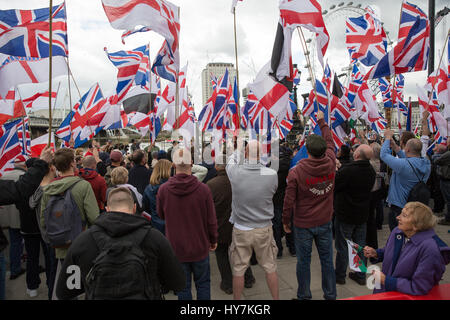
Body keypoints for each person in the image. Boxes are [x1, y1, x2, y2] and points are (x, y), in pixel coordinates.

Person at [55, 187, 186, 300]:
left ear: (107, 209)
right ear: (134, 208)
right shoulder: (154, 238)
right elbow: (177, 282)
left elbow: (65, 290)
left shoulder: (83, 241)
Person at [282, 110, 337, 300]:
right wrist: (322, 121)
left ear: (307, 149)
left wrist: (285, 222)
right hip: (324, 221)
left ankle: (304, 296)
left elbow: (288, 201)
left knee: (303, 262)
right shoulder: (331, 162)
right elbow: (330, 141)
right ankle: (330, 295)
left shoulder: (296, 172)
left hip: (304, 223)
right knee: (327, 261)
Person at [157, 147, 218, 300]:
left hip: (176, 247)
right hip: (199, 245)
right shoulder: (203, 190)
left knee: (183, 287)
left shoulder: (163, 190)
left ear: (173, 165)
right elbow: (211, 220)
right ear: (192, 163)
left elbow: (161, 214)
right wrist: (213, 239)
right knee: (203, 284)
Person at [40, 148, 99, 299]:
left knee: (67, 280)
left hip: (59, 242)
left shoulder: (47, 190)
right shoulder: (83, 186)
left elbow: (43, 220)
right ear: (73, 163)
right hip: (82, 241)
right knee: (83, 281)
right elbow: (94, 217)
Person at [226, 140, 279, 300]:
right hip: (264, 228)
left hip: (242, 229)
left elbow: (230, 159)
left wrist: (239, 149)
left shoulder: (236, 173)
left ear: (246, 154)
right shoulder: (271, 174)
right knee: (270, 267)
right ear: (262, 154)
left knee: (238, 270)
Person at [364, 202, 450, 295]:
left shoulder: (430, 249)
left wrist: (387, 281)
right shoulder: (398, 231)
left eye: (404, 215)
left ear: (416, 225)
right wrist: (376, 253)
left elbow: (419, 287)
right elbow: (391, 252)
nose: (398, 217)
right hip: (384, 293)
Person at [206, 155, 255, 295]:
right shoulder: (240, 182)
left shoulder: (211, 185)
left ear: (216, 167)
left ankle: (227, 284)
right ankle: (248, 278)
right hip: (239, 224)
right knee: (241, 252)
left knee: (221, 255)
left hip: (220, 226)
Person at [334, 144, 376, 286]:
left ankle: (339, 275)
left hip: (346, 214)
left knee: (343, 246)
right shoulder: (370, 170)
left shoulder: (348, 170)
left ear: (357, 155)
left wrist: (337, 171)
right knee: (360, 246)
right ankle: (360, 274)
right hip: (362, 214)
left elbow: (336, 186)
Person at [380, 129, 431, 231]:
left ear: (407, 150)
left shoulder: (403, 165)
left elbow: (384, 155)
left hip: (400, 207)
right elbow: (409, 161)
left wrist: (387, 138)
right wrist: (395, 147)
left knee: (399, 237)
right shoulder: (426, 163)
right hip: (416, 205)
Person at [29, 161, 58, 300]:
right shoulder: (47, 188)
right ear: (51, 168)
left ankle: (51, 288)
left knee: (52, 267)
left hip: (48, 233)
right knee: (54, 268)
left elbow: (31, 203)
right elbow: (32, 203)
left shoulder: (41, 187)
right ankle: (52, 291)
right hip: (52, 234)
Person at [272, 144, 295, 258]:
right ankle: (293, 248)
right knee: (290, 223)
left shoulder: (272, 168)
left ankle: (279, 251)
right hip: (289, 198)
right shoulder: (292, 165)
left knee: (276, 226)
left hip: (276, 199)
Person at [142, 159, 172, 234]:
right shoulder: (173, 187)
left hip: (156, 225)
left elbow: (145, 207)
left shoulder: (149, 188)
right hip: (172, 224)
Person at [367, 143, 386, 249]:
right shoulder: (382, 163)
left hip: (372, 191)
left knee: (370, 216)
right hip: (379, 190)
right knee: (378, 209)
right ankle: (379, 223)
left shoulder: (370, 164)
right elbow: (385, 178)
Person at [435, 145, 450, 225]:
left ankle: (448, 219)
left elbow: (437, 160)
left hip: (446, 179)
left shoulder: (448, 154)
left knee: (448, 200)